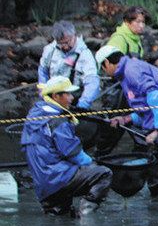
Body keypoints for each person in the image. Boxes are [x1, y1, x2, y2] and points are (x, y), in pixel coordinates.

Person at [95, 45, 158, 200]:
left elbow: (155, 96)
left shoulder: (132, 69)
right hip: (156, 127)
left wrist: (157, 130)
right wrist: (125, 119)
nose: (105, 73)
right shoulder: (124, 77)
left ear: (107, 63)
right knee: (156, 175)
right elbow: (144, 111)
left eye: (103, 69)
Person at [21, 77, 112, 216]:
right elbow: (72, 152)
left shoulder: (36, 113)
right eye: (67, 94)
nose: (71, 98)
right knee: (103, 174)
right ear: (56, 96)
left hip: (43, 185)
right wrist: (92, 163)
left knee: (60, 218)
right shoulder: (58, 121)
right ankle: (86, 216)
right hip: (58, 177)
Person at [39, 21, 100, 111]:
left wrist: (83, 104)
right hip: (54, 97)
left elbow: (92, 82)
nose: (65, 47)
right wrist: (43, 94)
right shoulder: (50, 50)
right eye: (61, 43)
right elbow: (43, 72)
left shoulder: (85, 55)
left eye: (67, 42)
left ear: (74, 35)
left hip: (74, 99)